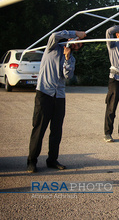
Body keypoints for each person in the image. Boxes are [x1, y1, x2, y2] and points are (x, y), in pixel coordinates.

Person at [27, 30, 86, 173]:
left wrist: (67, 58)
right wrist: (76, 32)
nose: (78, 46)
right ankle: (31, 161)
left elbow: (67, 76)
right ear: (72, 39)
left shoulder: (71, 58)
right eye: (78, 42)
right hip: (44, 93)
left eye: (80, 46)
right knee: (39, 128)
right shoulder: (53, 48)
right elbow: (54, 35)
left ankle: (52, 160)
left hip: (59, 96)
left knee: (56, 130)